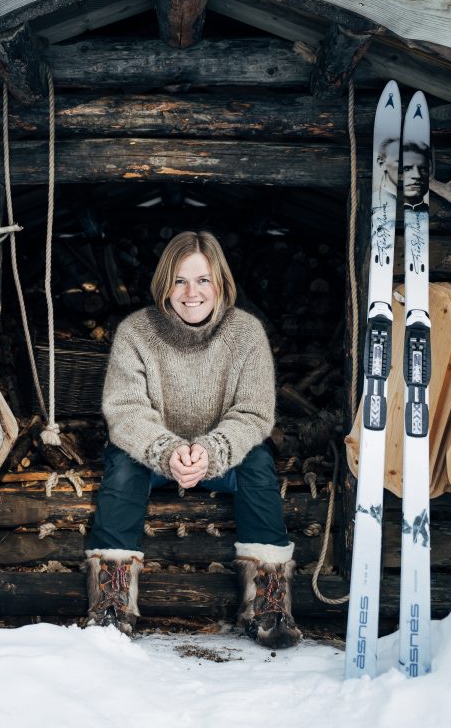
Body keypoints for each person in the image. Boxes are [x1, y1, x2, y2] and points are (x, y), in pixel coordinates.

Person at [82, 230, 301, 649]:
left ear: (220, 283)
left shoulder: (245, 333)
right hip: (153, 456)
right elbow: (125, 409)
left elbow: (254, 412)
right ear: (166, 283)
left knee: (257, 465)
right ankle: (111, 601)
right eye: (180, 280)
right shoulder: (136, 332)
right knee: (122, 469)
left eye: (203, 280)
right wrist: (167, 451)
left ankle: (269, 603)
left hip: (220, 458)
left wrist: (212, 450)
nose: (191, 292)